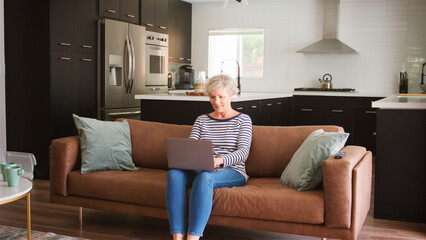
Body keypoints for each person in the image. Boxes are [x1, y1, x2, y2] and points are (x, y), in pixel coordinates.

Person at [166, 74, 253, 240]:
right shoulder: (201, 120)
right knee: (174, 174)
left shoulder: (243, 120)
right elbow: (191, 146)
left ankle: (193, 237)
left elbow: (243, 152)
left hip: (232, 170)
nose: (217, 101)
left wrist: (219, 161)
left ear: (232, 95)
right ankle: (177, 237)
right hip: (200, 166)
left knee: (205, 177)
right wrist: (189, 158)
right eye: (212, 97)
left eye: (221, 97)